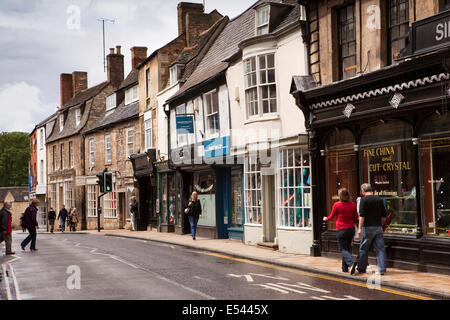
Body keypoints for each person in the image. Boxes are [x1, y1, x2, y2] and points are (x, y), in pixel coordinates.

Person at [352, 183, 388, 276]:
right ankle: (382, 269)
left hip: (367, 228)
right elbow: (384, 216)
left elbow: (362, 216)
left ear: (363, 191)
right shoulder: (379, 199)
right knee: (380, 249)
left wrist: (359, 228)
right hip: (378, 228)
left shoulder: (363, 200)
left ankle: (361, 268)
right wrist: (380, 225)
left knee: (364, 248)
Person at [323, 188, 359, 273]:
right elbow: (355, 218)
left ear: (340, 196)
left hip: (341, 229)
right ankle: (344, 269)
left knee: (342, 249)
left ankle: (352, 262)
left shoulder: (337, 205)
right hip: (351, 229)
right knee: (347, 248)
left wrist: (325, 218)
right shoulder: (352, 205)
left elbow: (331, 216)